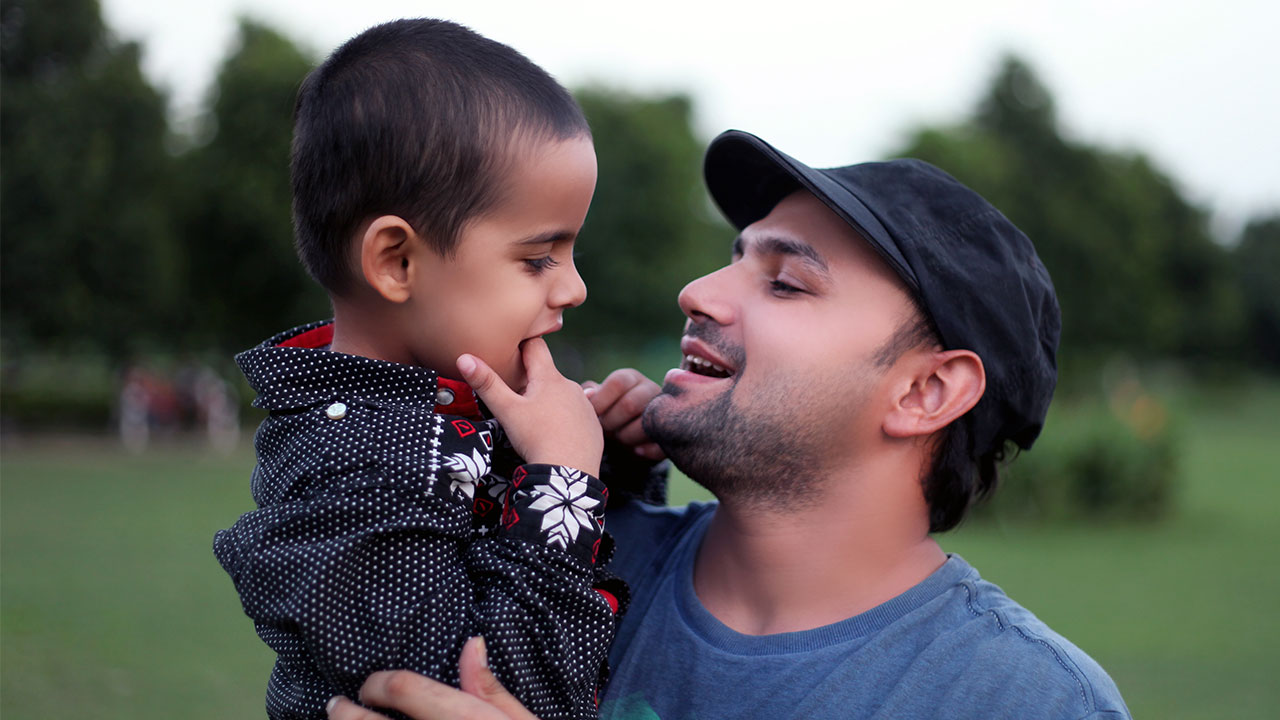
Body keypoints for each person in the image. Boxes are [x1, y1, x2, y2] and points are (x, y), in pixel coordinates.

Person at [325, 129, 1133, 720]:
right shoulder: (562, 561)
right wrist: (552, 483)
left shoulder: (1023, 700)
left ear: (925, 391)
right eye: (733, 256)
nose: (699, 291)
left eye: (785, 283)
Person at [213, 19, 663, 720]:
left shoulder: (441, 419)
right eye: (539, 257)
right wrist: (564, 477)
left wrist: (613, 464)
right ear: (398, 262)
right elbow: (483, 693)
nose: (573, 287)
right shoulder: (350, 469)